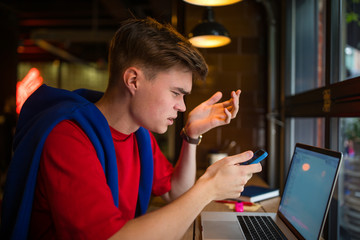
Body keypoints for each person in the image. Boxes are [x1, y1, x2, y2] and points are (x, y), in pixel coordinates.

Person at [1, 17, 262, 240]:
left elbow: (175, 192)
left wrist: (191, 136)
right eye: (176, 93)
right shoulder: (68, 139)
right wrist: (209, 188)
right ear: (134, 80)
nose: (182, 107)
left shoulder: (139, 134)